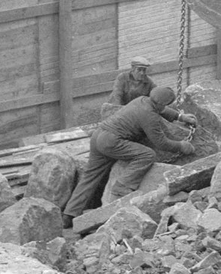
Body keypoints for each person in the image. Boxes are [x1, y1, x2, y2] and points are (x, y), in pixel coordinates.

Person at [63, 87, 194, 224]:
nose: (165, 106)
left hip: (98, 136)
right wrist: (181, 146)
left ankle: (69, 214)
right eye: (166, 104)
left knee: (90, 176)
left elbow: (161, 110)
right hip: (112, 142)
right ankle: (122, 186)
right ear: (162, 103)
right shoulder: (149, 115)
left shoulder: (143, 100)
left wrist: (180, 117)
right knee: (147, 155)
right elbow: (161, 143)